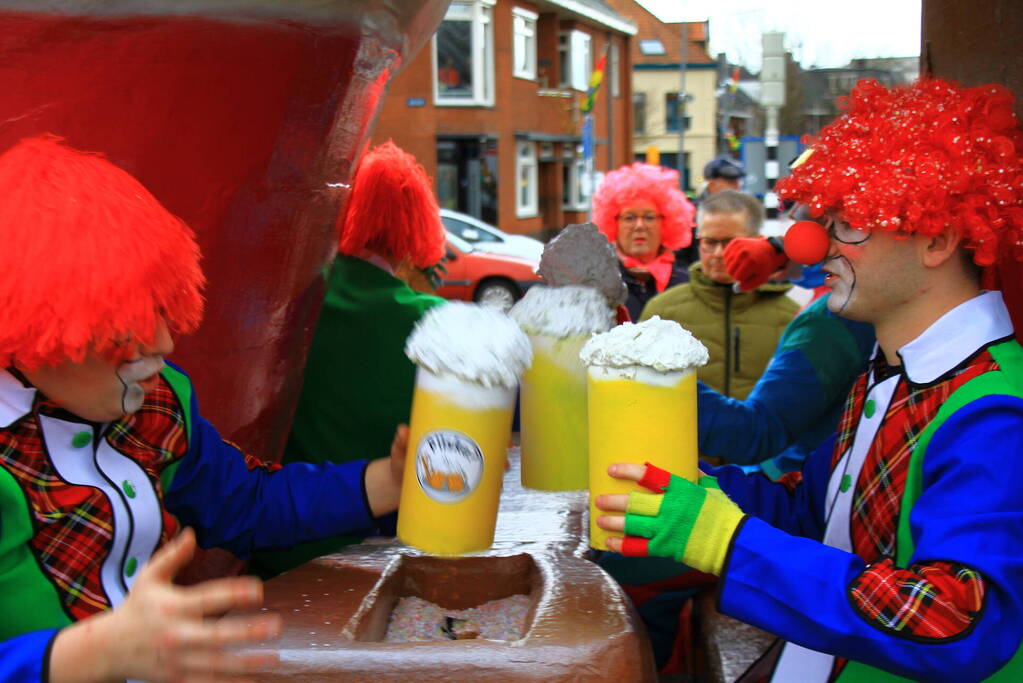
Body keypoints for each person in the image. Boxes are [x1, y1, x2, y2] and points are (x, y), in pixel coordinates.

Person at [597, 78, 1023, 681]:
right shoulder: (890, 378)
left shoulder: (995, 411)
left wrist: (728, 540)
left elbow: (955, 624)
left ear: (937, 238)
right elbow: (814, 513)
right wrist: (685, 487)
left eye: (846, 225)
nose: (815, 245)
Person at [0, 135, 407, 682]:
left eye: (157, 308)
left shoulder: (156, 405)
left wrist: (391, 481)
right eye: (120, 324)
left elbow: (248, 504)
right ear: (30, 327)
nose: (165, 342)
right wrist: (84, 657)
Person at [250, 140, 446, 578]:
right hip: (384, 548)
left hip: (281, 537)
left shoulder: (291, 300)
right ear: (419, 225)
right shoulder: (433, 321)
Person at [640, 190, 799, 399]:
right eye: (709, 242)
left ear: (757, 241)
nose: (718, 253)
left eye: (730, 243)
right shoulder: (661, 311)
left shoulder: (791, 316)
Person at [591, 162, 696, 321]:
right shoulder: (595, 286)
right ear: (614, 223)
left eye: (649, 217)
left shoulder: (689, 285)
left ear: (666, 222)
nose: (639, 226)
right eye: (629, 218)